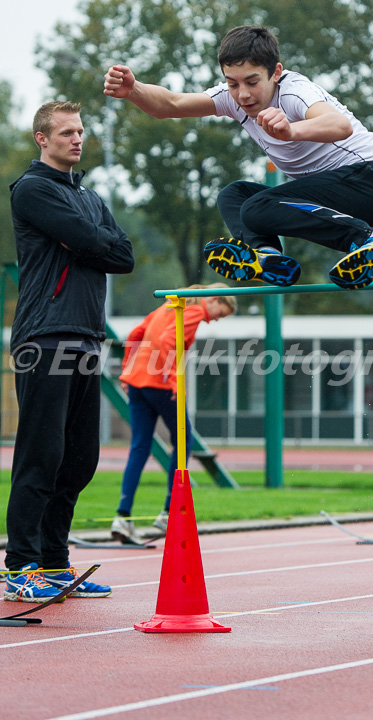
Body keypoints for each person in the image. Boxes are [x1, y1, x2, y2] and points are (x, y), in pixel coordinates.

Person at [104, 24, 373, 291]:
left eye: (252, 82)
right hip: (339, 202)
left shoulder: (294, 91)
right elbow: (170, 104)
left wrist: (292, 131)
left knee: (257, 207)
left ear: (275, 73)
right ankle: (266, 256)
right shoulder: (233, 100)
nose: (243, 95)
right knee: (236, 196)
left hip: (372, 184)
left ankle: (370, 240)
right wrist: (135, 90)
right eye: (233, 83)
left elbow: (339, 124)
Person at [4, 101, 135, 603]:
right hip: (44, 337)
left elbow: (121, 256)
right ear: (43, 138)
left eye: (80, 131)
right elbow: (89, 240)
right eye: (65, 132)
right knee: (42, 455)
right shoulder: (32, 190)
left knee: (80, 459)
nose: (76, 139)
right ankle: (20, 565)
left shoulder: (91, 196)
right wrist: (89, 241)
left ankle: (56, 563)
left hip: (85, 337)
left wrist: (88, 241)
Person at [110, 284, 236, 544]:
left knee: (139, 447)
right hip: (159, 384)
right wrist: (175, 381)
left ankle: (122, 517)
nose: (213, 320)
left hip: (136, 382)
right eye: (220, 314)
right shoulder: (194, 310)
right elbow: (169, 340)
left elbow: (136, 333)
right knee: (183, 441)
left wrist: (126, 368)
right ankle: (168, 511)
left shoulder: (168, 305)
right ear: (213, 299)